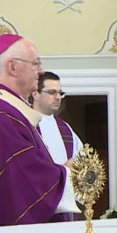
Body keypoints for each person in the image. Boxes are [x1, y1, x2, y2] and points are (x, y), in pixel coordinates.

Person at [0, 34, 78, 227]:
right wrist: (67, 174)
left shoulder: (6, 108)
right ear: (12, 67)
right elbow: (25, 174)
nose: (41, 70)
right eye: (35, 64)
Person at [31, 71, 83, 221]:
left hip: (64, 207)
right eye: (52, 92)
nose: (58, 97)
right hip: (37, 205)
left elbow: (82, 159)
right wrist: (63, 170)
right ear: (35, 94)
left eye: (60, 93)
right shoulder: (26, 125)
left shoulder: (65, 129)